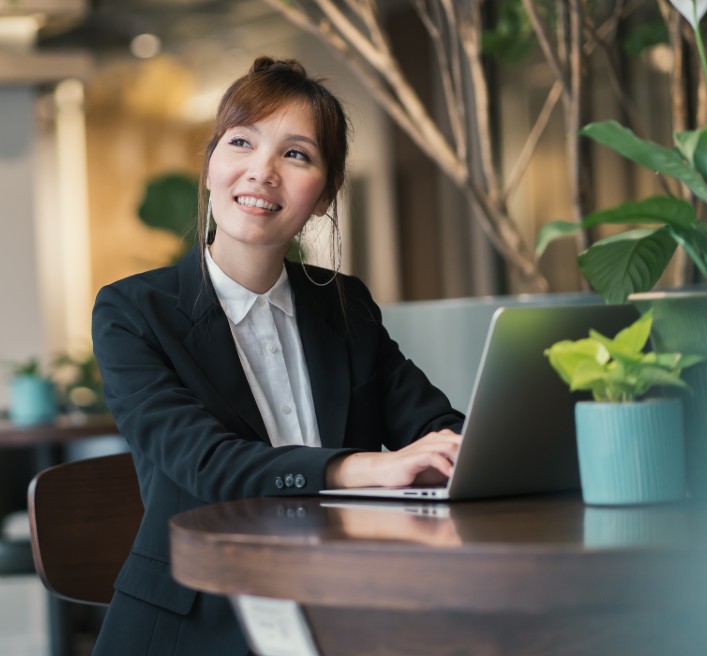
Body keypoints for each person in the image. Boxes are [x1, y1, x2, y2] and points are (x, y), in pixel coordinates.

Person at [90, 56, 465, 655]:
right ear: (211, 164)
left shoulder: (343, 305)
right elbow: (209, 466)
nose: (262, 172)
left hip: (343, 606)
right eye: (242, 142)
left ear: (324, 195)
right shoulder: (132, 312)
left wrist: (469, 449)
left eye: (296, 154)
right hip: (196, 624)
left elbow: (434, 426)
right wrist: (364, 467)